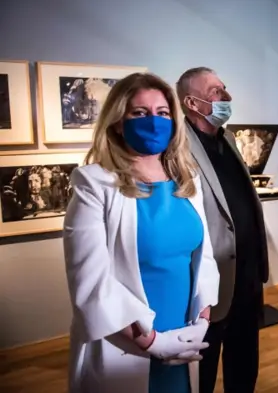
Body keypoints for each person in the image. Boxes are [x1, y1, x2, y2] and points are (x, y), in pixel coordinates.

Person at [63, 72, 220, 393]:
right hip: (127, 339)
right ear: (119, 122)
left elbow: (203, 257)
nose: (154, 121)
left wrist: (201, 321)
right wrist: (152, 343)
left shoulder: (186, 180)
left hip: (183, 334)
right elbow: (90, 280)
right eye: (139, 113)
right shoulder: (94, 183)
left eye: (162, 113)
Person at [176, 67, 269, 393]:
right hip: (208, 279)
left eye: (225, 89)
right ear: (192, 102)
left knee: (244, 362)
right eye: (216, 91)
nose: (226, 97)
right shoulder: (176, 147)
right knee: (203, 367)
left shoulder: (228, 138)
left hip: (247, 273)